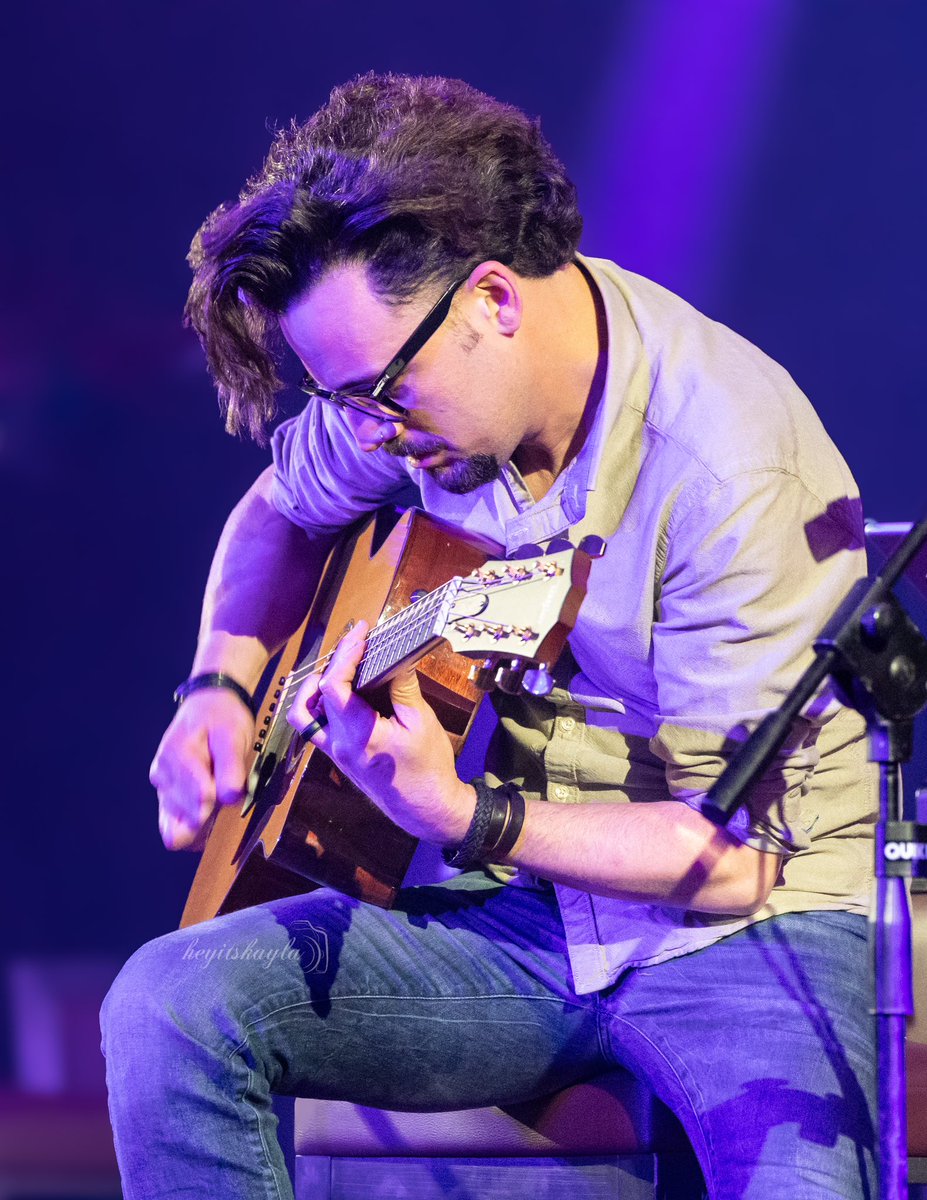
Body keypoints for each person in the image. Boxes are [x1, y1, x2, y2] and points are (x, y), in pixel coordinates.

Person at [101, 73, 877, 1199]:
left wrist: (463, 813)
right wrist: (217, 687)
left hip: (756, 927)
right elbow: (277, 509)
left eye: (376, 395)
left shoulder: (735, 466)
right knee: (170, 1003)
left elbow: (739, 857)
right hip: (535, 919)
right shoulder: (413, 393)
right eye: (346, 404)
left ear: (494, 302)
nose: (369, 434)